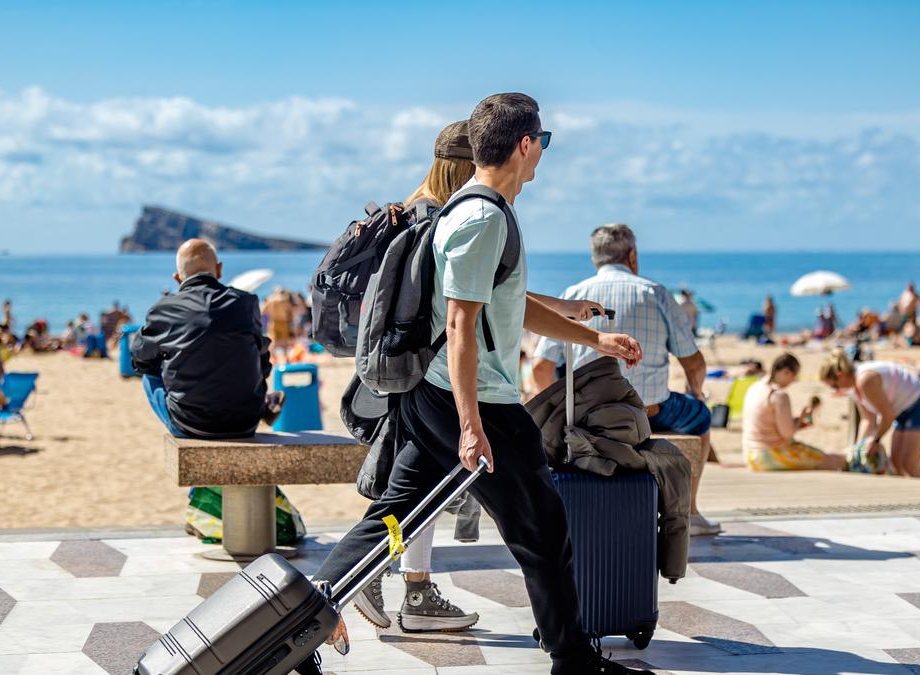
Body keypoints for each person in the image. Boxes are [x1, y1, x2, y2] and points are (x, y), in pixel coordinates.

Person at [304, 93, 649, 675]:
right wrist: (470, 427)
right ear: (524, 145)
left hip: (436, 394)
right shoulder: (482, 218)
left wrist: (593, 341)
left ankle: (306, 611)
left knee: (396, 514)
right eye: (544, 139)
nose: (543, 150)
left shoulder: (476, 209)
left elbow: (501, 309)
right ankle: (572, 661)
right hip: (473, 403)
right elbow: (463, 325)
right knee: (542, 531)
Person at [349, 120, 483, 634]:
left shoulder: (405, 211)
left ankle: (413, 586)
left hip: (394, 369)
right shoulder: (436, 219)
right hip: (422, 373)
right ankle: (394, 579)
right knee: (415, 486)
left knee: (415, 484)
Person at [530, 223, 721, 536]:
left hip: (587, 417)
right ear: (632, 255)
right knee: (700, 417)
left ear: (596, 258)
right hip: (650, 414)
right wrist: (697, 391)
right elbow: (694, 361)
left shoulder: (573, 295)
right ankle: (690, 511)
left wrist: (563, 411)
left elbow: (541, 367)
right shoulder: (656, 293)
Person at [131, 239, 285, 438]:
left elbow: (139, 359)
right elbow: (262, 359)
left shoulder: (163, 309)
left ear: (177, 278)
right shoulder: (246, 303)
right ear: (219, 269)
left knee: (149, 376)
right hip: (246, 421)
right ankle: (264, 405)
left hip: (190, 424)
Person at [820, 352, 920, 478]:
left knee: (909, 464)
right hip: (901, 411)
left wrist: (875, 440)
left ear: (841, 375)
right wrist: (859, 448)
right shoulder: (854, 388)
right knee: (896, 463)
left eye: (835, 386)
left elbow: (888, 415)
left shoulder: (865, 380)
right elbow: (868, 420)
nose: (836, 391)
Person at [743, 353, 844, 471]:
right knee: (835, 460)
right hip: (770, 455)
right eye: (794, 377)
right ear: (786, 372)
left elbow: (769, 425)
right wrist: (800, 420)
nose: (793, 381)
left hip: (750, 456)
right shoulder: (778, 395)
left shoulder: (755, 387)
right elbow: (787, 433)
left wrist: (798, 421)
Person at [262, 287, 295, 361]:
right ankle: (286, 359)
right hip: (284, 322)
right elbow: (290, 311)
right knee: (285, 342)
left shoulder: (271, 300)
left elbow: (263, 311)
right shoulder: (284, 300)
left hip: (273, 322)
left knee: (273, 341)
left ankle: (272, 358)